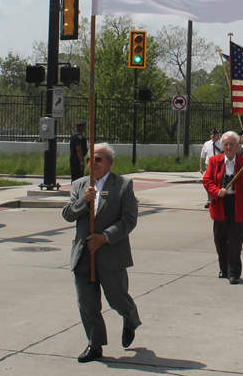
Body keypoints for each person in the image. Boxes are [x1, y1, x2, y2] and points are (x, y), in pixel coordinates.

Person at [62, 143, 141, 363]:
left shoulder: (123, 185)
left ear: (109, 162)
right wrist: (82, 201)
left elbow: (129, 220)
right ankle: (95, 345)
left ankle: (130, 319)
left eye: (98, 159)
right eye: (90, 159)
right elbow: (67, 214)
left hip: (110, 253)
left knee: (117, 298)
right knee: (87, 303)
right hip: (83, 253)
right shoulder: (79, 185)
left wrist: (104, 237)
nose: (93, 163)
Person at [203, 131, 243, 284]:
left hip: (237, 206)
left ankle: (234, 272)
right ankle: (223, 268)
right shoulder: (215, 161)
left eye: (231, 144)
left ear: (237, 146)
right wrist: (216, 192)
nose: (228, 147)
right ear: (222, 146)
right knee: (220, 240)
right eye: (225, 144)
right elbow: (207, 181)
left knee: (235, 241)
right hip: (220, 204)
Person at [200, 128, 222, 208]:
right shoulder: (207, 144)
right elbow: (202, 156)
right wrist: (201, 167)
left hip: (218, 166)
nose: (213, 136)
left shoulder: (221, 144)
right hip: (209, 166)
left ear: (218, 135)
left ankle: (216, 198)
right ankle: (209, 200)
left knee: (217, 183)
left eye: (215, 134)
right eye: (212, 134)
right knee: (209, 183)